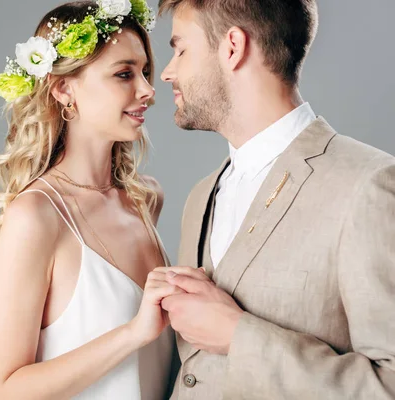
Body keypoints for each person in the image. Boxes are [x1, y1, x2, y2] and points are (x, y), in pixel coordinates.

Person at [155, 0, 395, 399]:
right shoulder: (200, 197)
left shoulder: (368, 184)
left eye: (180, 49)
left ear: (232, 47)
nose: (167, 71)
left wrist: (238, 335)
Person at [0, 1, 178, 398]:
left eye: (145, 72)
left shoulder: (145, 200)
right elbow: (3, 390)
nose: (148, 91)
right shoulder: (36, 217)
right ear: (64, 88)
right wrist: (132, 334)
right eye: (124, 74)